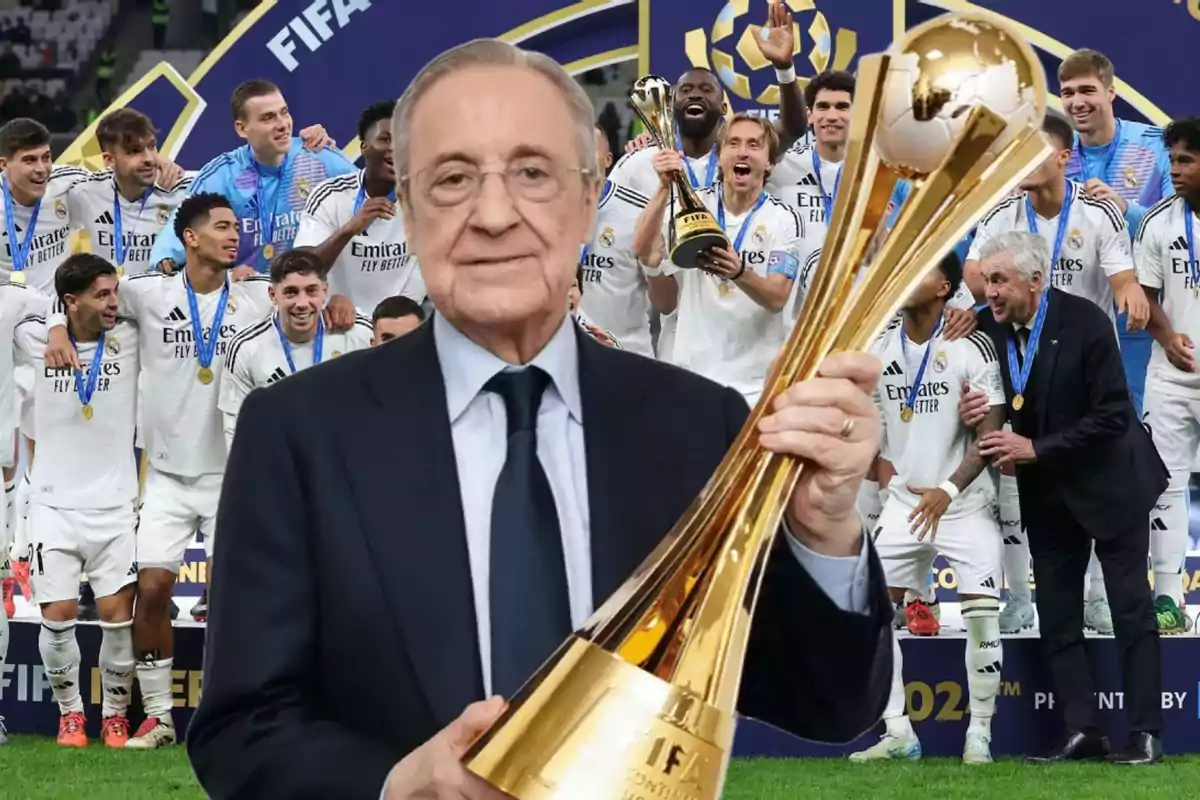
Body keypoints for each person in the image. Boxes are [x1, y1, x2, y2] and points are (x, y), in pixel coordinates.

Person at [186, 39, 892, 799]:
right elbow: (240, 730)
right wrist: (395, 785)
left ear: (590, 202)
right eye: (454, 179)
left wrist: (823, 535)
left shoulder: (699, 428)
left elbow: (829, 704)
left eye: (532, 174)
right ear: (413, 214)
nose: (495, 214)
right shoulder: (298, 435)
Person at [44, 194, 276, 749]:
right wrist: (56, 325)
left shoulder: (253, 299)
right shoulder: (148, 293)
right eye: (222, 227)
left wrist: (336, 305)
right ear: (190, 238)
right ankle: (161, 718)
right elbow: (78, 296)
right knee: (151, 590)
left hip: (231, 474)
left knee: (232, 595)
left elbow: (304, 297)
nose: (233, 235)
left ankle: (237, 712)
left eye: (237, 228)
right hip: (167, 476)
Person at [963, 230, 1165, 765]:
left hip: (1110, 482)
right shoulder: (986, 329)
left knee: (1130, 610)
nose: (991, 292)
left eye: (1000, 281)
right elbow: (991, 397)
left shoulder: (1087, 323)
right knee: (1056, 616)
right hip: (1048, 492)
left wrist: (1037, 447)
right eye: (986, 282)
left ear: (1036, 280)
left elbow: (1114, 414)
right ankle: (1083, 731)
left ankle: (1144, 732)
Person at [965, 111, 1148, 635]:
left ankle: (1097, 598)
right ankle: (1019, 596)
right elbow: (977, 277)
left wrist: (1129, 295)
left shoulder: (1097, 212)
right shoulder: (1001, 210)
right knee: (1013, 477)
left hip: (1079, 370)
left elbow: (1122, 278)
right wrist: (971, 300)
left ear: (1065, 157)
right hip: (1020, 365)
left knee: (1085, 480)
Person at [850, 253, 1006, 765]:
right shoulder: (879, 345)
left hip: (963, 506)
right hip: (905, 504)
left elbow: (991, 433)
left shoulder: (969, 343)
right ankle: (898, 731)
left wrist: (949, 490)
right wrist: (886, 472)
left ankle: (978, 733)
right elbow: (868, 422)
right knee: (869, 615)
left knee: (983, 618)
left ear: (944, 286)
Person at [14, 254, 138, 748]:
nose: (113, 302)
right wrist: (55, 327)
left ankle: (113, 714)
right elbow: (17, 306)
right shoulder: (35, 338)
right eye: (102, 295)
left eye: (114, 293)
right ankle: (70, 714)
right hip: (52, 504)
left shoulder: (131, 337)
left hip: (114, 504)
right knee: (59, 614)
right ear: (71, 300)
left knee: (116, 616)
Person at [634, 113, 809, 406]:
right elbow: (644, 250)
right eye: (733, 143)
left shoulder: (784, 219)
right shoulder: (692, 208)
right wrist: (664, 187)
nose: (743, 151)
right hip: (694, 378)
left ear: (770, 162)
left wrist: (739, 272)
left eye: (754, 145)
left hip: (756, 387)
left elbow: (777, 297)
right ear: (719, 157)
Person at [1059, 48, 1172, 419]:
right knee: (1082, 423)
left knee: (1143, 423)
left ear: (1111, 92)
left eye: (1087, 90)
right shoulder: (1057, 155)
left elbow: (1183, 220)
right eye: (1068, 93)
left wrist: (1127, 210)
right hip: (1077, 314)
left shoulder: (1154, 145)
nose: (1077, 102)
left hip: (1143, 316)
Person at [150, 79, 352, 275]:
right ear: (242, 128)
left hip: (305, 295)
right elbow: (178, 230)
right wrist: (165, 260)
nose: (283, 124)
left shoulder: (319, 156)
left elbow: (373, 194)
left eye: (284, 112)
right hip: (243, 296)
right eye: (268, 118)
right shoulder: (222, 175)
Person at [1133, 117, 1200, 635]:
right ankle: (1166, 598)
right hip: (1172, 377)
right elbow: (1146, 300)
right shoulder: (1158, 222)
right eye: (1171, 159)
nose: (1173, 170)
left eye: (1185, 160)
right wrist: (1166, 336)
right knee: (1164, 488)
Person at [220, 248, 373, 450]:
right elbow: (236, 431)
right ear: (273, 295)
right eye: (291, 292)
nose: (302, 303)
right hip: (281, 467)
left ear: (324, 291)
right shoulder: (246, 347)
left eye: (311, 291)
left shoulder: (357, 333)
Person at [294, 101, 426, 312]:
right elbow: (300, 270)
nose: (395, 147)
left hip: (391, 325)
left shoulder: (423, 198)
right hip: (335, 321)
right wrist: (350, 229)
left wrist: (393, 319)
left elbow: (426, 267)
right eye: (385, 139)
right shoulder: (330, 196)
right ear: (364, 146)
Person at [67, 109, 193, 276]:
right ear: (109, 159)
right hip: (111, 299)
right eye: (134, 151)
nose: (149, 158)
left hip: (163, 300)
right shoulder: (86, 192)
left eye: (152, 146)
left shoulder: (181, 190)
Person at [577, 127, 651, 355]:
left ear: (609, 159)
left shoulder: (639, 211)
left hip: (626, 354)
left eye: (592, 149)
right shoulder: (545, 210)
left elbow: (665, 299)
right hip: (570, 354)